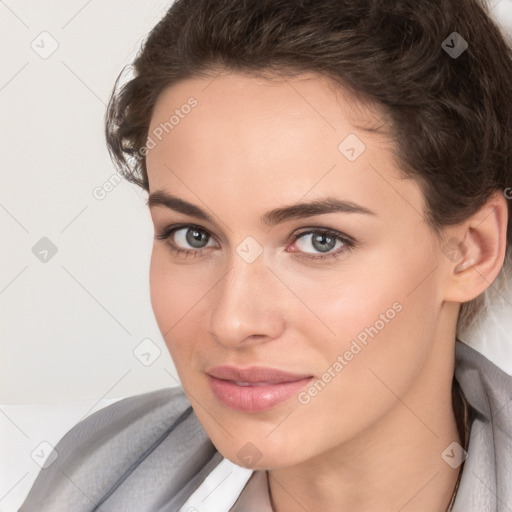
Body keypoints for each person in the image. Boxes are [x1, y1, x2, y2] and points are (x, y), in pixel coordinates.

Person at [19, 0, 512, 510]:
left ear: (471, 250)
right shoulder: (90, 477)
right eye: (192, 235)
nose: (232, 321)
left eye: (319, 240)